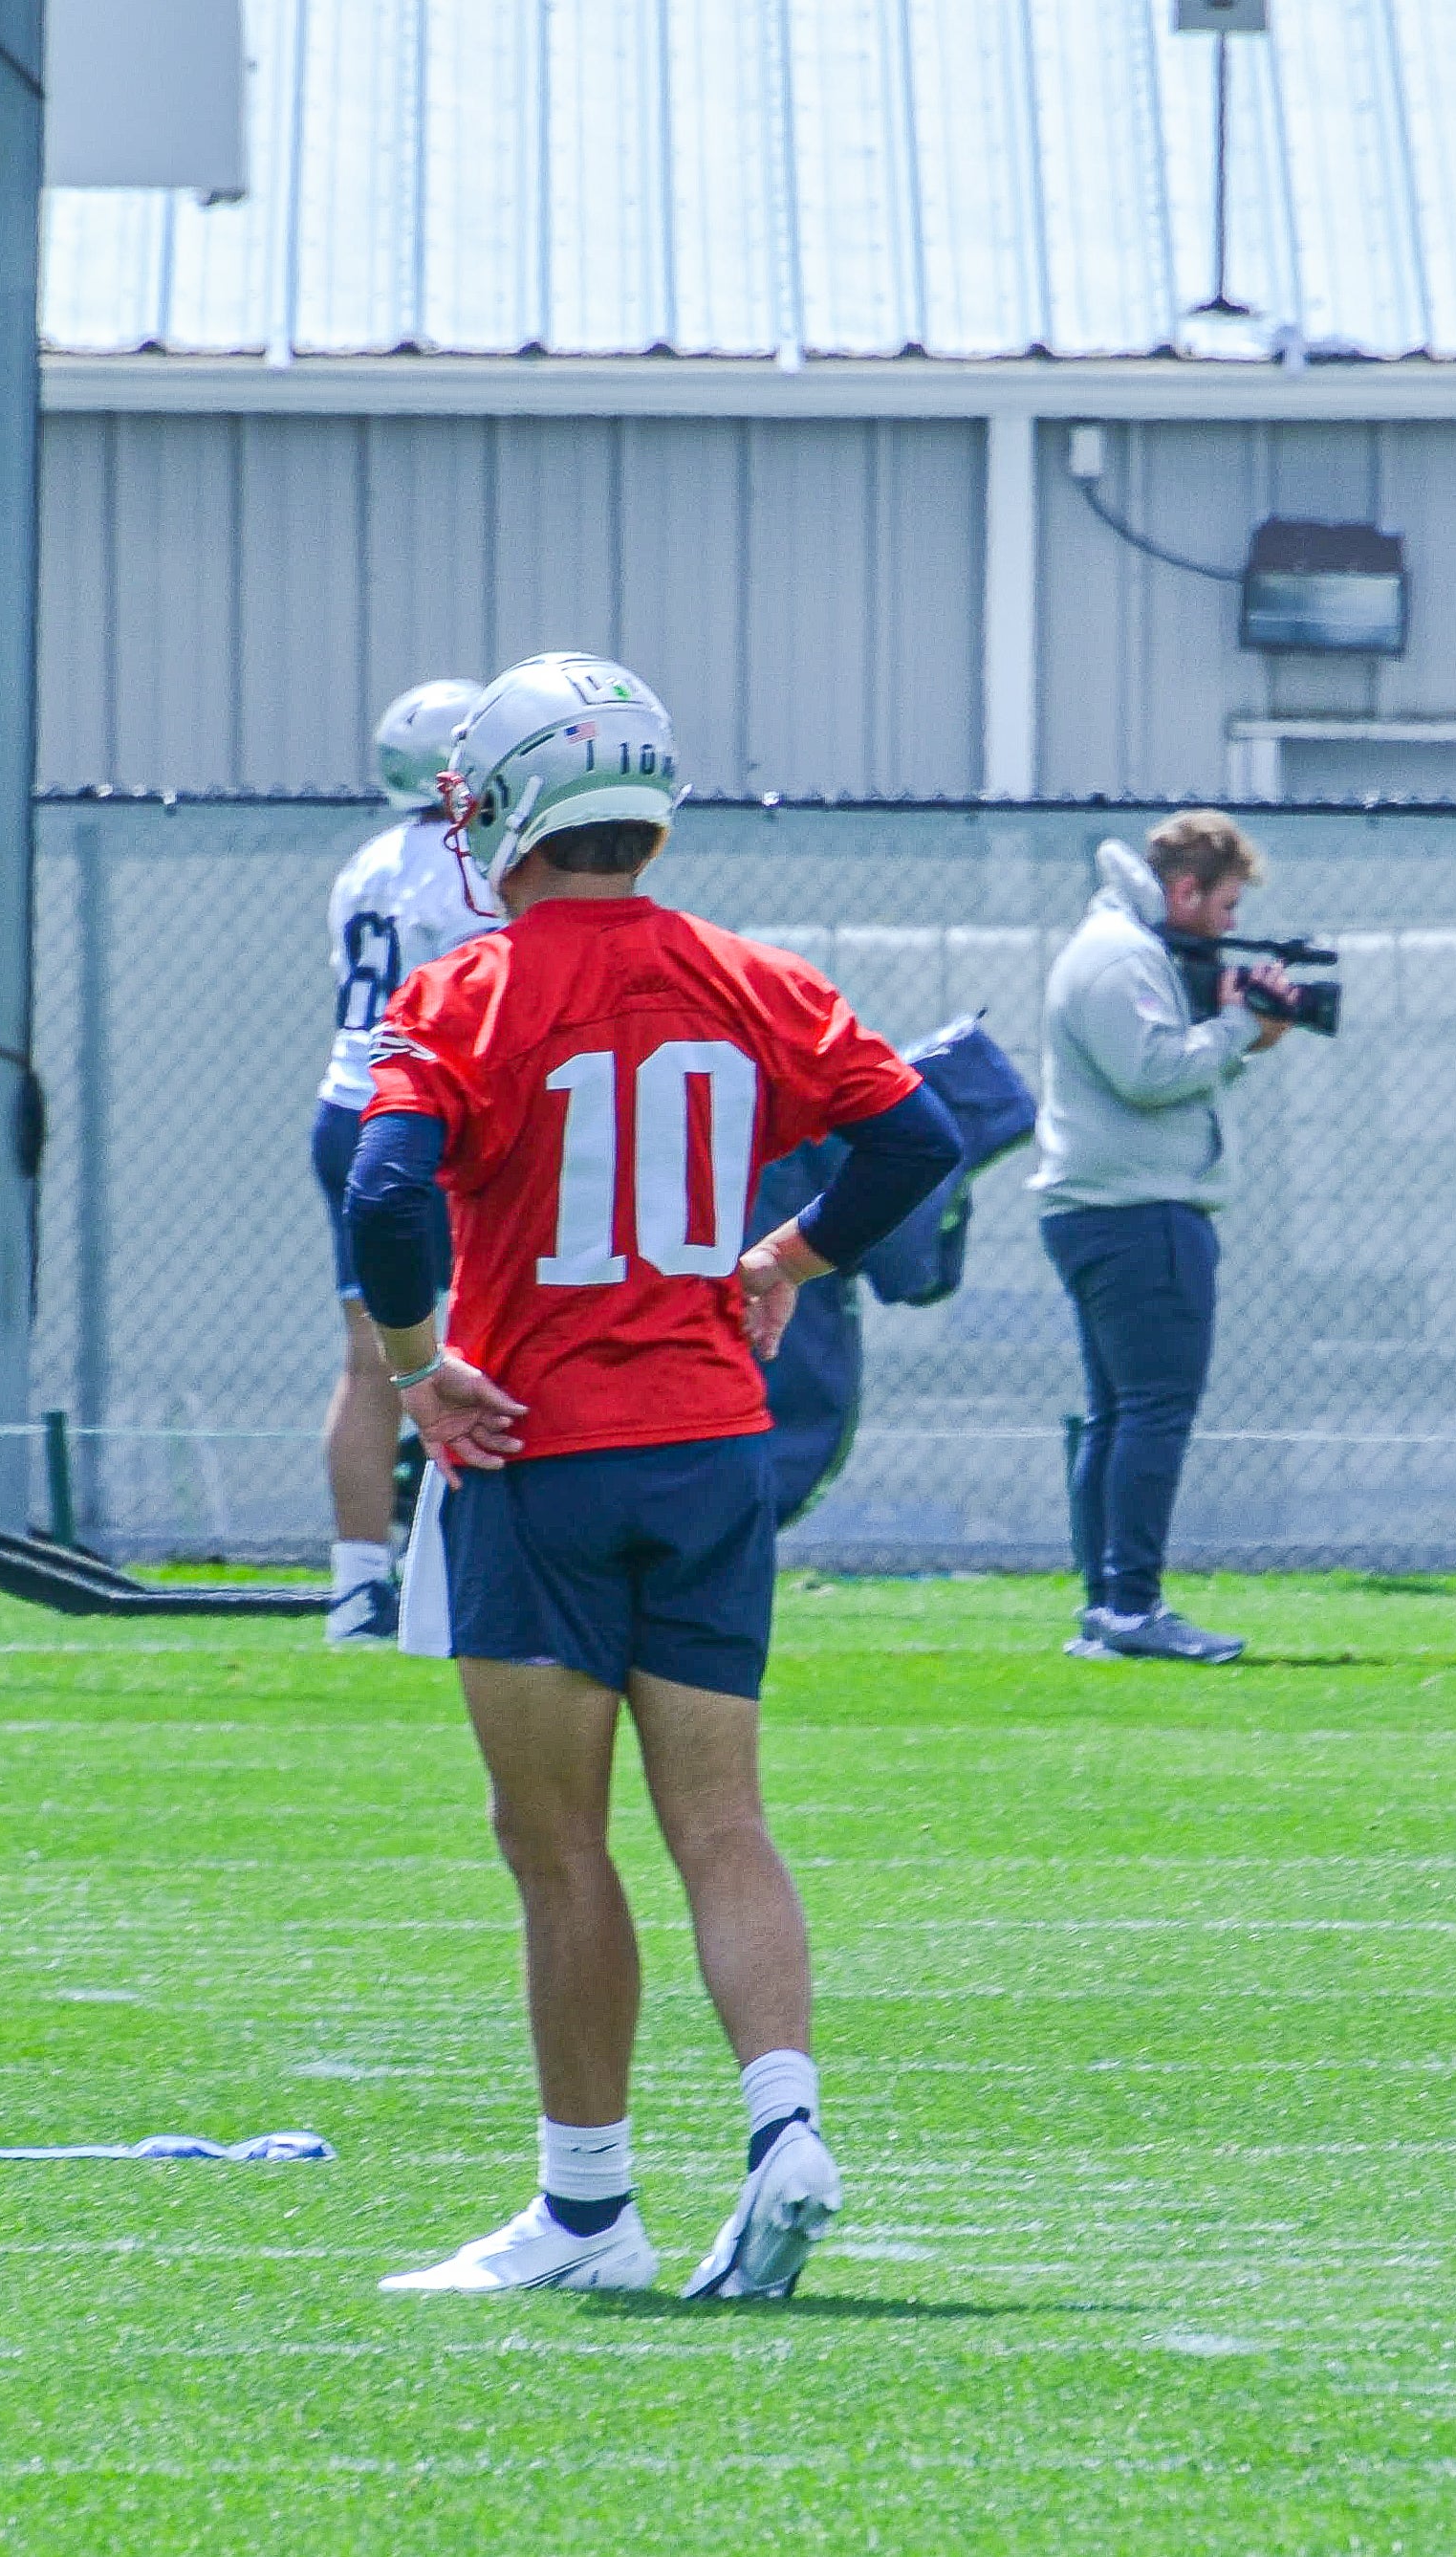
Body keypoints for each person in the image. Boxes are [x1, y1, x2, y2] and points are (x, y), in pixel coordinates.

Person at [344, 652, 964, 2299]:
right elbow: (916, 1140)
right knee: (722, 1817)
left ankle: (586, 2207)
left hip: (538, 1446)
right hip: (709, 1447)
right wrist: (793, 1255)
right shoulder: (750, 975)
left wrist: (417, 1368)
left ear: (508, 808)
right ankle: (785, 2121)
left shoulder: (464, 988)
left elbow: (385, 1194)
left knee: (556, 1842)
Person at [1029, 814, 1296, 1666]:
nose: (1227, 921)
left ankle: (1108, 1607)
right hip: (1138, 1215)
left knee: (1118, 1414)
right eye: (1222, 903)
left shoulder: (1118, 945)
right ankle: (1132, 1607)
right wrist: (1238, 1030)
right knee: (1150, 1411)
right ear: (1182, 891)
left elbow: (1157, 1068)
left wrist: (1233, 1040)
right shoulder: (1120, 955)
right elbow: (1147, 1074)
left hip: (1108, 1212)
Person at [314, 677, 492, 1645]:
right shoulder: (468, 867)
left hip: (345, 1104)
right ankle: (448, 1576)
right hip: (430, 1114)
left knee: (369, 1356)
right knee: (477, 1345)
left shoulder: (366, 861)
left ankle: (353, 1588)